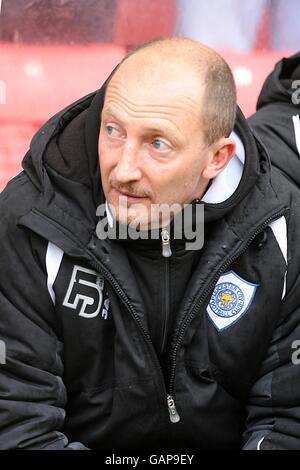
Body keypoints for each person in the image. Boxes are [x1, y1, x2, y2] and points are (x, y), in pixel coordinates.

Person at [0, 37, 300, 451]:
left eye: (157, 144)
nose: (123, 170)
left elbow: (287, 420)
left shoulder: (282, 224)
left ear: (218, 158)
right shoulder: (30, 219)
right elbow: (19, 423)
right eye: (113, 131)